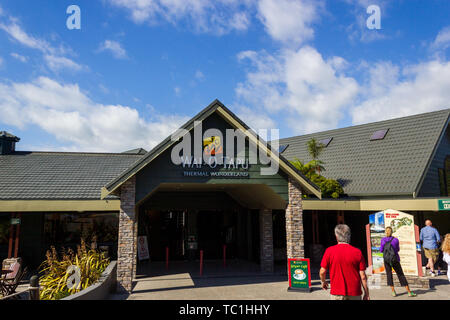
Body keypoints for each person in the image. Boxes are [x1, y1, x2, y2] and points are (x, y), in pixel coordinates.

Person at [319, 224, 370, 300]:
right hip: (354, 293)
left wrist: (323, 282)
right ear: (349, 236)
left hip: (337, 293)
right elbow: (363, 276)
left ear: (336, 237)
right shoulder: (357, 252)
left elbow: (322, 271)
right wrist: (366, 293)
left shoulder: (329, 251)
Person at [380, 227, 416, 297]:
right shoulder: (395, 240)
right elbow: (398, 249)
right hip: (395, 259)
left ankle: (393, 292)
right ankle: (408, 292)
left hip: (387, 260)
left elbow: (381, 250)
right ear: (392, 232)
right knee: (400, 274)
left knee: (389, 274)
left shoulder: (383, 240)